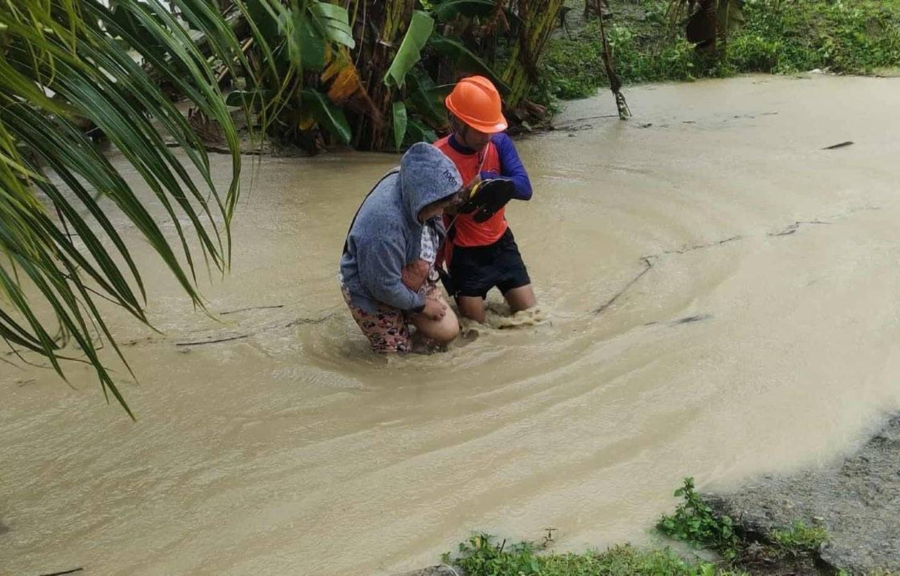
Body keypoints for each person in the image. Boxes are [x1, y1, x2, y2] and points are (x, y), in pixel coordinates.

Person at [340, 142, 463, 353]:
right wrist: (421, 305)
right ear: (423, 199)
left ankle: (410, 324)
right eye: (439, 206)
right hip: (371, 288)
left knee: (448, 330)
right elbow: (381, 286)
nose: (441, 212)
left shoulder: (413, 181)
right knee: (398, 358)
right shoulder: (383, 226)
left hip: (408, 268)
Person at [434, 76, 537, 324]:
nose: (487, 137)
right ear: (458, 123)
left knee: (533, 317)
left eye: (490, 129)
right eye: (480, 130)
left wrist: (486, 179)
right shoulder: (437, 157)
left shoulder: (499, 143)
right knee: (476, 330)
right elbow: (426, 216)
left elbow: (525, 189)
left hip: (502, 244)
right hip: (464, 255)